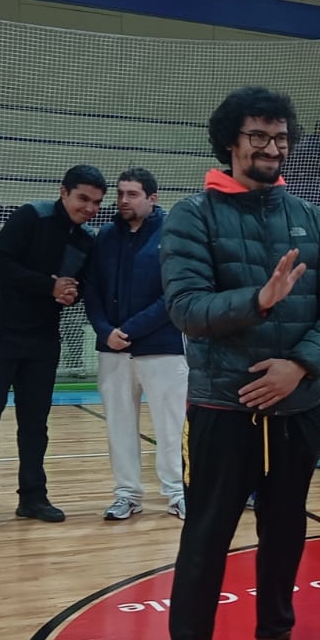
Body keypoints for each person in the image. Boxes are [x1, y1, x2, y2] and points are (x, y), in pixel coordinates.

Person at [160, 86, 320, 640]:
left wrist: (299, 365)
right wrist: (262, 300)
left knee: (285, 533)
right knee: (208, 536)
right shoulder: (192, 216)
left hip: (295, 405)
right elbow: (187, 310)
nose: (272, 149)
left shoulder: (313, 218)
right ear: (230, 141)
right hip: (223, 406)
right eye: (259, 138)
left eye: (280, 138)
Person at [0, 164, 106, 530]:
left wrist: (73, 293)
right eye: (83, 198)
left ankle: (33, 496)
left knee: (35, 423)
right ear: (64, 192)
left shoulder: (87, 239)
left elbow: (79, 286)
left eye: (97, 203)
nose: (89, 208)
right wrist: (48, 286)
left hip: (42, 338)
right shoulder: (31, 216)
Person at [83, 167, 187, 521]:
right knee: (118, 426)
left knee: (170, 427)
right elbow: (91, 288)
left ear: (152, 198)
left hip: (163, 348)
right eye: (121, 193)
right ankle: (127, 494)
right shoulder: (106, 235)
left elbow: (173, 293)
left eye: (132, 194)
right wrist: (103, 330)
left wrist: (129, 328)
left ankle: (177, 492)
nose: (123, 200)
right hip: (112, 349)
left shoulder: (174, 233)